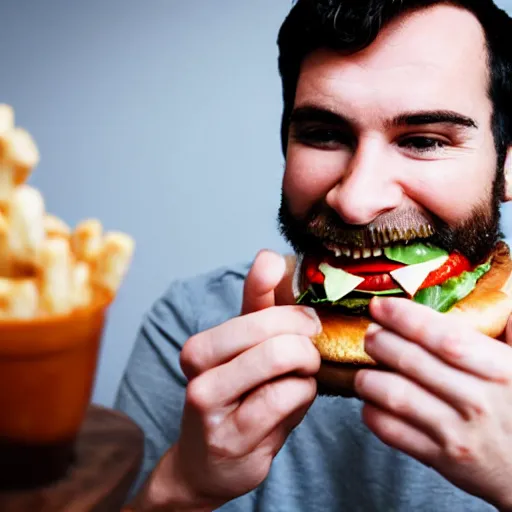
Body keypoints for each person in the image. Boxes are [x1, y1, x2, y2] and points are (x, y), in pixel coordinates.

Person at [116, 0, 512, 510]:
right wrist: (183, 487)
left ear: (507, 163)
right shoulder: (190, 324)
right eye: (324, 135)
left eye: (424, 141)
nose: (357, 199)